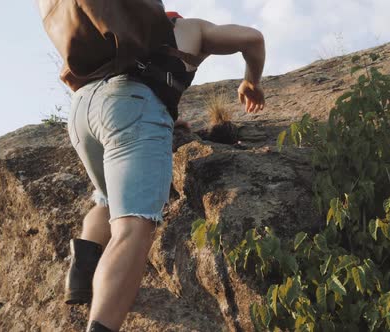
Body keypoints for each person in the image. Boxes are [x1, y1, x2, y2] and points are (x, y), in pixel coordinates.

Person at [63, 3, 266, 332]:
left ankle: (81, 277)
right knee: (133, 228)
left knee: (106, 195)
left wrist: (163, 118)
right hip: (131, 105)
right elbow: (253, 39)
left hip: (82, 110)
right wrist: (250, 82)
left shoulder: (115, 35)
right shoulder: (190, 28)